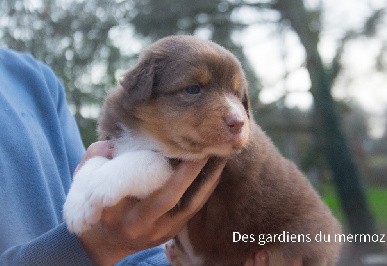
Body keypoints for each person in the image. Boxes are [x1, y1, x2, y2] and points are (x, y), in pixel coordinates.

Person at [0, 48, 269, 266]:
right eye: (194, 89)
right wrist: (91, 247)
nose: (236, 114)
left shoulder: (35, 81)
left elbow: (104, 208)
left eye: (236, 94)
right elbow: (97, 221)